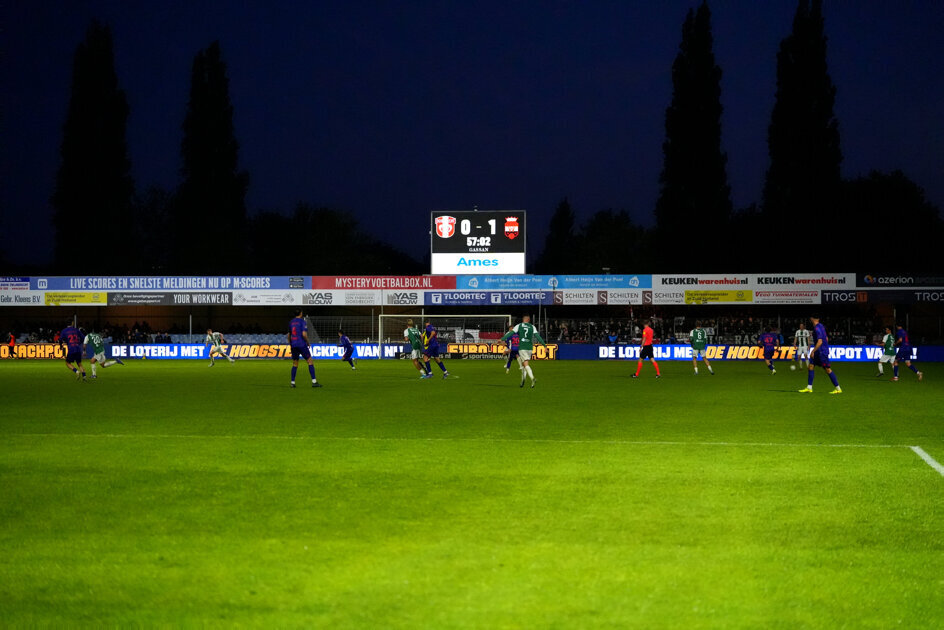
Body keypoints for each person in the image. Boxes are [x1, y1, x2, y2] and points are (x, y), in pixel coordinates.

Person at [798, 315, 841, 394]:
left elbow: (820, 341)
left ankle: (838, 388)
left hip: (821, 352)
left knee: (827, 369)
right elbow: (826, 338)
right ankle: (809, 387)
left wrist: (813, 351)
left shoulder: (817, 328)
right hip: (820, 351)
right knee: (811, 366)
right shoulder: (821, 326)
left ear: (812, 318)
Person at [501, 315, 547, 388]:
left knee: (525, 365)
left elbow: (511, 333)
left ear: (523, 319)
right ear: (528, 320)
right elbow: (538, 337)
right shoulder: (532, 327)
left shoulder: (519, 325)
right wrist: (544, 346)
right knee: (524, 364)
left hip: (522, 347)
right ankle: (523, 381)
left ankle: (532, 378)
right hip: (529, 347)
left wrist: (502, 338)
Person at [288, 309, 321, 388]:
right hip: (301, 344)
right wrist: (308, 342)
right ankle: (314, 382)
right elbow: (304, 334)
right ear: (301, 313)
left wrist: (291, 344)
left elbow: (289, 335)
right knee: (310, 361)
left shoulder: (291, 322)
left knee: (295, 363)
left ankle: (292, 382)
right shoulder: (302, 322)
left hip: (294, 344)